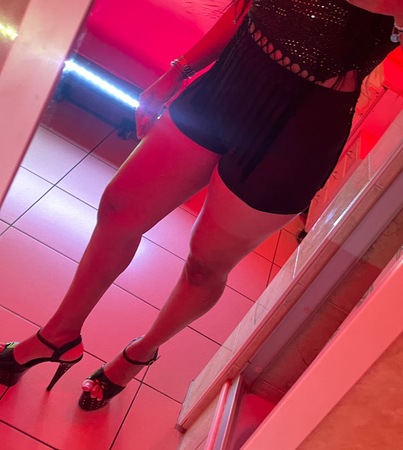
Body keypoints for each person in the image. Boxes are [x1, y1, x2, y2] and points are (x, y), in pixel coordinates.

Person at [0, 0, 402, 411]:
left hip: (302, 127)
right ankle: (59, 335)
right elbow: (246, 6)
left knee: (205, 265)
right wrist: (179, 69)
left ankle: (141, 352)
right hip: (232, 77)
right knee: (120, 209)